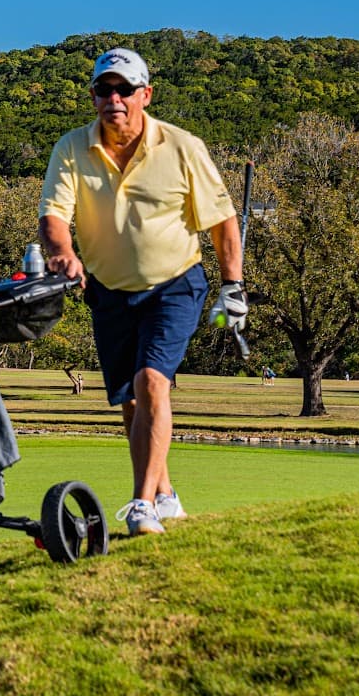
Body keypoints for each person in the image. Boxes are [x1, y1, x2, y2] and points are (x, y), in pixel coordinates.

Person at [38, 47, 244, 536]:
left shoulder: (182, 146)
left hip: (175, 283)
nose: (115, 98)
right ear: (93, 96)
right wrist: (63, 252)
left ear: (145, 94)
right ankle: (166, 496)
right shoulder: (72, 147)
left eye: (125, 89)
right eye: (104, 89)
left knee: (152, 382)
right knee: (132, 402)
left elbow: (222, 221)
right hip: (109, 291)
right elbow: (54, 216)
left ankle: (142, 505)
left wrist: (233, 286)